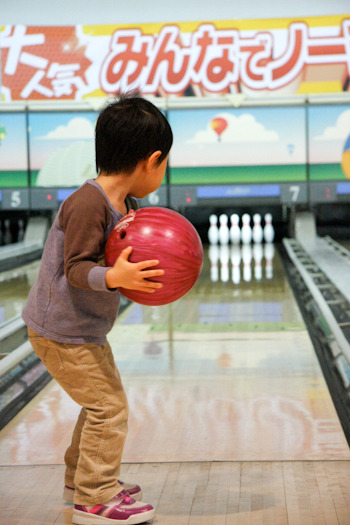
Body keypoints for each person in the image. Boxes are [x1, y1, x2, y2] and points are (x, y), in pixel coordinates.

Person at [22, 92, 173, 525]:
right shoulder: (87, 203)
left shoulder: (130, 206)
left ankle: (81, 479)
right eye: (165, 164)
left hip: (84, 329)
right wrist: (115, 278)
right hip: (58, 330)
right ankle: (95, 496)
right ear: (153, 159)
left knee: (100, 405)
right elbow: (76, 270)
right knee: (110, 408)